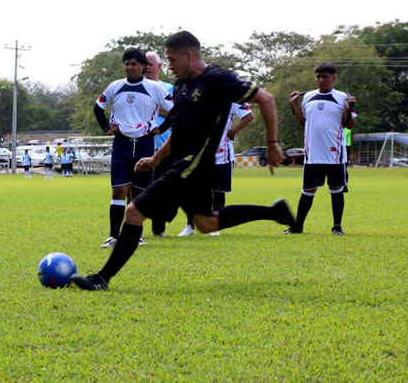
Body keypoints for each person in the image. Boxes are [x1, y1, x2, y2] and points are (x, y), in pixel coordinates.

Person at [71, 30, 294, 291]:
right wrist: (156, 157)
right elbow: (179, 131)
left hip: (196, 164)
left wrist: (272, 144)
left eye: (171, 59)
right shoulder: (181, 86)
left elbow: (265, 99)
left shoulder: (218, 79)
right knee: (205, 223)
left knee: (133, 212)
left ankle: (102, 278)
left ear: (188, 55)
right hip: (184, 163)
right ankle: (274, 211)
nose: (169, 66)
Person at [93, 48, 174, 249]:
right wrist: (106, 128)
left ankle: (135, 236)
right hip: (121, 144)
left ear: (143, 66)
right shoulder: (115, 86)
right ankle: (113, 236)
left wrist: (160, 128)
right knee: (119, 191)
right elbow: (98, 107)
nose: (129, 67)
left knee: (138, 194)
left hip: (145, 144)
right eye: (127, 64)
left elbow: (176, 109)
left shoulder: (154, 88)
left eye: (134, 64)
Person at [287, 62, 357, 236]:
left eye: (325, 77)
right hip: (312, 155)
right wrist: (295, 105)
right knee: (307, 191)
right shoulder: (308, 97)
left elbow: (350, 123)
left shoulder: (343, 97)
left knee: (336, 190)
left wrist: (349, 109)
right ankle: (298, 226)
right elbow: (303, 121)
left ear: (333, 78)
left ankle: (337, 226)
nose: (320, 80)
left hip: (334, 155)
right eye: (318, 77)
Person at [179, 101, 254, 237]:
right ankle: (190, 225)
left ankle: (215, 225)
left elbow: (248, 115)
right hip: (200, 153)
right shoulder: (200, 93)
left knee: (218, 192)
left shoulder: (232, 96)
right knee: (194, 191)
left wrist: (233, 130)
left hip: (222, 154)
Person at [145, 51, 175, 237]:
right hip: (141, 145)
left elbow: (176, 112)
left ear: (159, 66)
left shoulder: (169, 88)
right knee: (136, 189)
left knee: (165, 190)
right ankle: (134, 228)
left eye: (150, 63)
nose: (147, 67)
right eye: (144, 64)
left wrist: (155, 106)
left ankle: (159, 229)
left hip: (164, 147)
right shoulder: (134, 87)